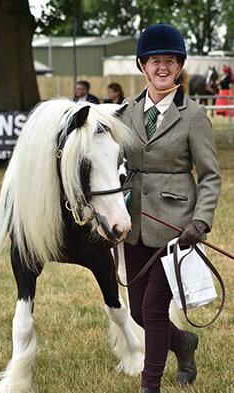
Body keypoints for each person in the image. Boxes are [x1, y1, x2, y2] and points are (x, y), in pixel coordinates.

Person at [121, 23, 221, 393]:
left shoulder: (194, 116)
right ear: (142, 65)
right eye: (154, 60)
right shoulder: (126, 111)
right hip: (134, 224)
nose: (162, 67)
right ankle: (184, 343)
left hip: (176, 227)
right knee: (136, 311)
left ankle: (150, 385)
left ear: (179, 67)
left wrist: (201, 220)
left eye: (170, 61)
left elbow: (210, 176)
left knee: (152, 309)